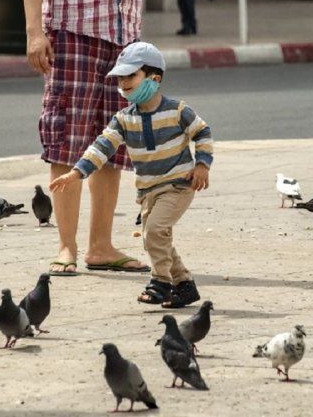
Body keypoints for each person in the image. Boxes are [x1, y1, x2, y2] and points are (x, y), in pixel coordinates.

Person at [23, 0, 200, 276]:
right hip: (72, 33)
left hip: (125, 44)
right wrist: (34, 34)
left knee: (112, 144)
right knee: (66, 139)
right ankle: (65, 246)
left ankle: (100, 246)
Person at [50, 42, 213, 308]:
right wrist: (77, 172)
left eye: (131, 76)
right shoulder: (123, 119)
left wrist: (202, 165)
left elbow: (203, 133)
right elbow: (102, 147)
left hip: (178, 185)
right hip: (148, 191)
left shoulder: (177, 110)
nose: (123, 83)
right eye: (121, 77)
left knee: (155, 232)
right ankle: (184, 285)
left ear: (154, 78)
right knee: (155, 238)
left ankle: (160, 283)